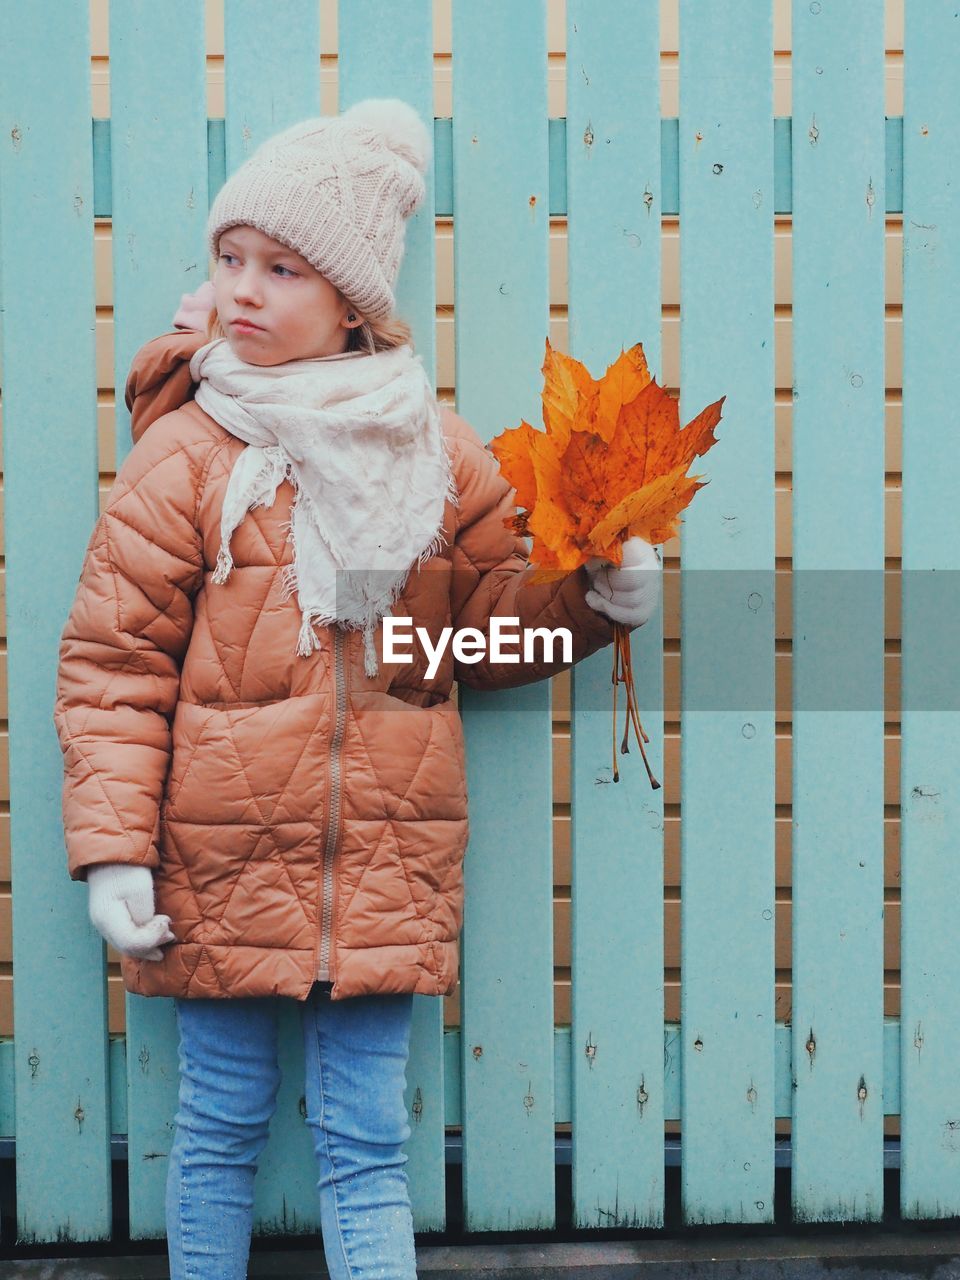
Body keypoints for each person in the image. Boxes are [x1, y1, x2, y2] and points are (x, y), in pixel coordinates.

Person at [54, 98, 662, 1280]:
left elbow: (478, 637)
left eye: (282, 266)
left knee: (365, 1143)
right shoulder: (190, 452)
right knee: (217, 1131)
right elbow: (115, 662)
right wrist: (114, 849)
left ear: (350, 298)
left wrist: (593, 604)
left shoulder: (435, 455)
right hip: (215, 863)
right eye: (231, 257)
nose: (244, 288)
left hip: (386, 865)